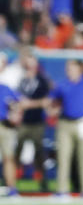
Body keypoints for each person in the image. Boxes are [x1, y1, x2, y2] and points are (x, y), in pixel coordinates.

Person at [50, 59, 83, 196]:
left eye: (72, 68)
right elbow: (52, 101)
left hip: (82, 123)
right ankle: (62, 189)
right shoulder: (62, 84)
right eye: (68, 68)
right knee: (63, 157)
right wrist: (53, 109)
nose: (69, 71)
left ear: (79, 69)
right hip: (65, 123)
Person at [14, 53, 50, 191]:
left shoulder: (42, 81)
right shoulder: (21, 80)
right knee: (17, 151)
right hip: (22, 121)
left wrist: (30, 104)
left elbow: (46, 101)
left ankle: (42, 180)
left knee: (39, 152)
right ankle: (12, 180)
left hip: (36, 121)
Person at [0, 79, 19, 195]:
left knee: (9, 157)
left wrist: (15, 113)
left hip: (6, 125)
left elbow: (16, 104)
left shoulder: (5, 88)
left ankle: (11, 188)